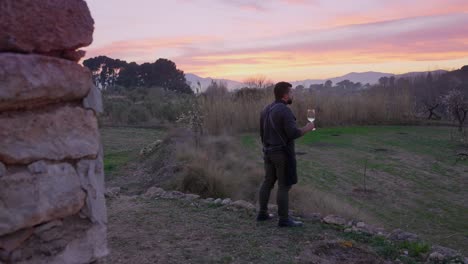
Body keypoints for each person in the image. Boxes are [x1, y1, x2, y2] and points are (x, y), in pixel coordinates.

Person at [257, 81, 315, 227]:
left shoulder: (265, 109)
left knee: (267, 182)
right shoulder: (284, 110)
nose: (292, 95)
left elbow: (262, 134)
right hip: (282, 154)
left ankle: (262, 214)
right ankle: (284, 219)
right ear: (285, 95)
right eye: (291, 93)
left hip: (268, 152)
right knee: (284, 186)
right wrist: (308, 128)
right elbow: (293, 133)